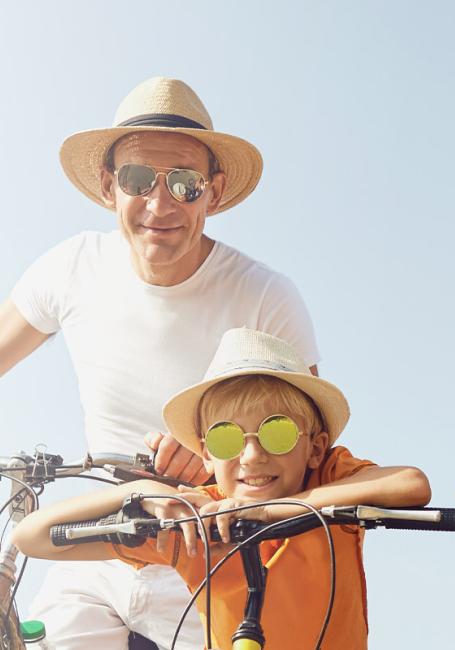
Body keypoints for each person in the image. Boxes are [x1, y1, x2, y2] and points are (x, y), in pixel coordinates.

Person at [0, 77, 318, 648]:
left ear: (214, 192)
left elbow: (311, 445)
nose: (160, 204)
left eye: (185, 184)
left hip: (210, 551)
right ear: (108, 187)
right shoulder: (72, 267)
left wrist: (216, 455)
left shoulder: (265, 296)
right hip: (99, 543)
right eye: (138, 179)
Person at [13, 328, 431, 650]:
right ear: (206, 456)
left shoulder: (328, 479)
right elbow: (31, 537)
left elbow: (411, 483)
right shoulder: (196, 519)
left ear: (315, 449)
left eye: (278, 433)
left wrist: (273, 510)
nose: (252, 456)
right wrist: (141, 491)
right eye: (227, 439)